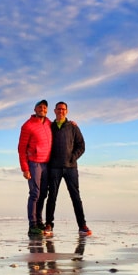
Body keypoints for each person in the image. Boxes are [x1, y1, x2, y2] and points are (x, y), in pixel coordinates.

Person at [44, 101, 91, 236]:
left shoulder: (73, 127)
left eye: (63, 109)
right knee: (52, 197)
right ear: (54, 111)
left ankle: (82, 226)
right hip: (54, 167)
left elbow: (81, 146)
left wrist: (73, 157)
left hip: (71, 168)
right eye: (58, 109)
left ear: (67, 111)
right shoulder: (49, 126)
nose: (61, 111)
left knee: (76, 197)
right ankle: (49, 225)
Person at [18, 99, 52, 236]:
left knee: (43, 194)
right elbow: (21, 149)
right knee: (35, 193)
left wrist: (72, 124)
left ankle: (39, 221)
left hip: (47, 164)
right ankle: (32, 225)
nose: (42, 109)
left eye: (44, 107)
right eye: (39, 107)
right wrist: (25, 168)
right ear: (34, 109)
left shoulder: (49, 123)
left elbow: (61, 125)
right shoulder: (27, 126)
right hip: (34, 163)